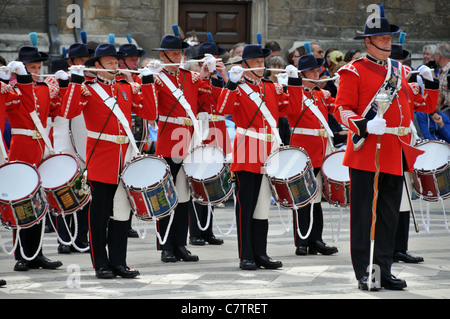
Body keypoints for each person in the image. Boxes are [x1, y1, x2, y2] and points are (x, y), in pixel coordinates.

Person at [333, 6, 439, 291]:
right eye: (381, 38)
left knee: (389, 216)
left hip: (395, 150)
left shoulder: (400, 71)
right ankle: (364, 273)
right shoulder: (352, 71)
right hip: (368, 150)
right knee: (364, 217)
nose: (388, 41)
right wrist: (364, 125)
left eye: (389, 36)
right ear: (368, 42)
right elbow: (340, 109)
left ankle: (383, 270)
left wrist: (430, 83)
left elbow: (424, 106)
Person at [60, 43, 158, 279]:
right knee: (99, 216)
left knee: (122, 215)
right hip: (101, 158)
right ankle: (100, 263)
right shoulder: (87, 89)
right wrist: (74, 81)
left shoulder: (126, 87)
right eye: (111, 63)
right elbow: (68, 111)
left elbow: (150, 113)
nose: (116, 67)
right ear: (97, 66)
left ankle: (119, 262)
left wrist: (147, 82)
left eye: (117, 62)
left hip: (124, 158)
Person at [216, 42, 303, 270]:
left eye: (262, 62)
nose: (261, 66)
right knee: (246, 207)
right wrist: (231, 83)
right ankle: (246, 255)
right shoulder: (240, 87)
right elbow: (222, 108)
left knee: (263, 206)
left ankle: (261, 253)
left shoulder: (271, 88)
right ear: (244, 65)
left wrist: (294, 82)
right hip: (247, 150)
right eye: (256, 62)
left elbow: (293, 109)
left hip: (269, 151)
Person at [148, 29, 224, 263]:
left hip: (189, 141)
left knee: (183, 196)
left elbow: (211, 101)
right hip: (169, 140)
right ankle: (166, 245)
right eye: (172, 53)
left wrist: (214, 76)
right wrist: (147, 79)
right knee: (166, 196)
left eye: (179, 53)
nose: (178, 56)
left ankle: (180, 244)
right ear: (163, 56)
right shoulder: (157, 77)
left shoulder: (190, 77)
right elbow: (150, 111)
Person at [0, 46, 64, 272]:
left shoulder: (46, 89)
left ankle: (36, 253)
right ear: (21, 69)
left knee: (39, 203)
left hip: (41, 147)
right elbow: (23, 106)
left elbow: (58, 111)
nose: (37, 71)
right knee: (21, 203)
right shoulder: (13, 89)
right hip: (22, 147)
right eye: (32, 68)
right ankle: (21, 254)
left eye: (39, 67)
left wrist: (65, 86)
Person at [283, 52, 338, 257]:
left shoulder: (319, 95)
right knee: (302, 198)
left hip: (319, 152)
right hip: (303, 151)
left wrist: (338, 87)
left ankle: (316, 239)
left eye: (318, 70)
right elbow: (294, 109)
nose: (318, 73)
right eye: (313, 71)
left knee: (316, 198)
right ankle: (301, 241)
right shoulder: (295, 93)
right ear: (303, 74)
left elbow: (338, 107)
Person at [49, 40, 93, 254]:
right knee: (64, 191)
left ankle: (82, 237)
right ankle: (64, 238)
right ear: (70, 61)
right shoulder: (57, 80)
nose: (84, 64)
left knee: (83, 190)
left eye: (86, 60)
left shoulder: (92, 81)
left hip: (84, 138)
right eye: (80, 60)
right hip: (63, 140)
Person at [188, 38, 230, 246]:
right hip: (202, 131)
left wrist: (223, 76)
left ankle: (208, 230)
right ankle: (195, 231)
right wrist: (203, 75)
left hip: (219, 131)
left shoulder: (222, 81)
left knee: (213, 181)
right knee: (198, 182)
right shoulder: (195, 80)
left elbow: (227, 105)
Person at [435, 42, 450, 116]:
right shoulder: (442, 70)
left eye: (435, 55)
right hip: (442, 110)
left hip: (447, 110)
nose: (435, 57)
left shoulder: (449, 70)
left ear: (440, 55)